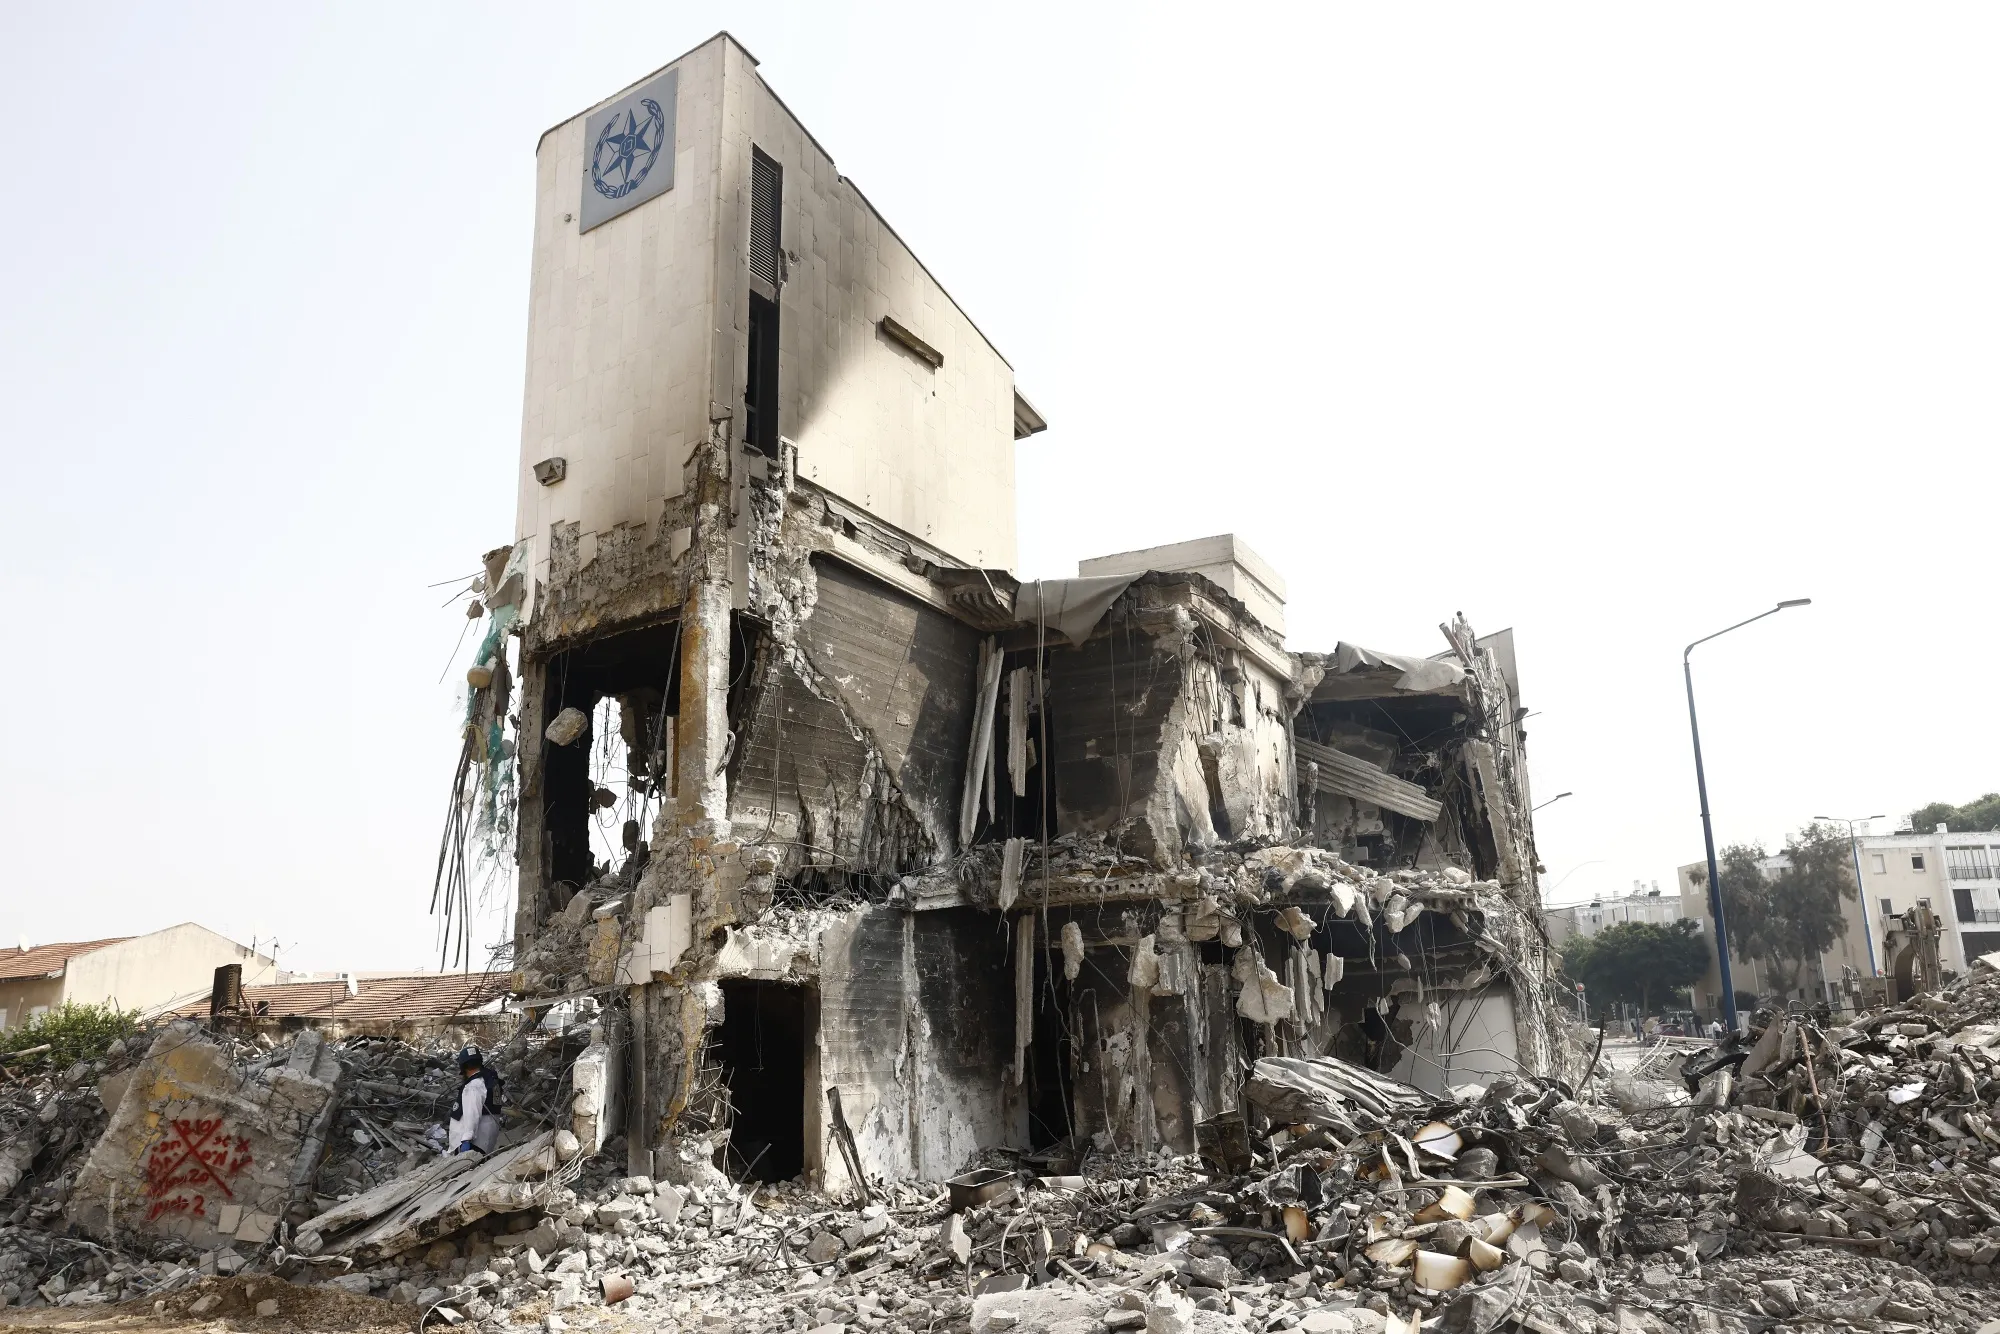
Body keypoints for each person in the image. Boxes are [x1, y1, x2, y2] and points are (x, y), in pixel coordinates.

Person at [446, 1045, 504, 1155]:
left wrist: (466, 1139)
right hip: (486, 1140)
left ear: (464, 1067)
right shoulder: (490, 1081)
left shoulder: (473, 1086)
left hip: (472, 1145)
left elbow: (472, 1114)